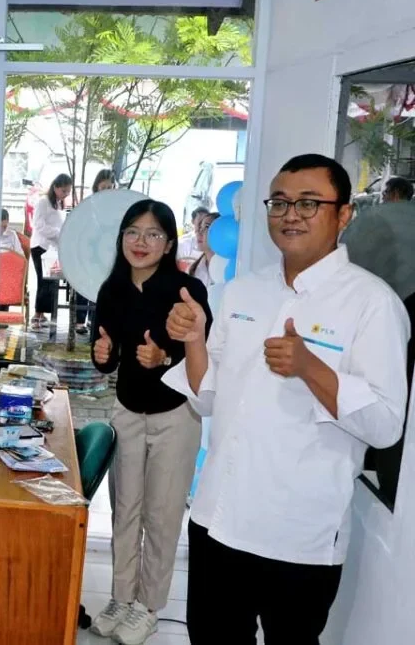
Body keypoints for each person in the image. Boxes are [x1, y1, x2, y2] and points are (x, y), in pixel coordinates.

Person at [164, 154, 410, 645]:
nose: (290, 214)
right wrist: (193, 340)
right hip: (218, 520)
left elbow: (386, 426)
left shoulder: (372, 303)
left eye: (308, 203)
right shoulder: (242, 293)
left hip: (300, 537)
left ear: (344, 215)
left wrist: (311, 368)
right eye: (279, 202)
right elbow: (206, 398)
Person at [88, 200, 212, 645]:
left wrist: (164, 358)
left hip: (175, 415)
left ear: (169, 243)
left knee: (161, 515)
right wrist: (104, 355)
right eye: (133, 233)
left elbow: (204, 355)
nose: (141, 242)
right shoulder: (112, 290)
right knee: (125, 510)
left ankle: (148, 607)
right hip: (128, 410)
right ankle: (121, 597)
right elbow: (105, 354)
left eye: (153, 234)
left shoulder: (186, 292)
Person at [74, 170, 118, 333]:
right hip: (88, 249)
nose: (106, 190)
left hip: (107, 253)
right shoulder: (89, 204)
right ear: (96, 187)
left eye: (109, 187)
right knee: (84, 283)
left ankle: (94, 320)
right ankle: (80, 321)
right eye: (103, 187)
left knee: (101, 287)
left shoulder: (116, 205)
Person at [29, 173, 71, 328]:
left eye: (68, 191)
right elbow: (38, 224)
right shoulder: (43, 202)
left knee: (51, 281)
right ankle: (37, 315)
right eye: (63, 191)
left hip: (53, 247)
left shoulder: (58, 204)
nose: (66, 194)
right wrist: (58, 233)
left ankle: (43, 314)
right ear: (55, 187)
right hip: (41, 246)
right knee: (43, 281)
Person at [187, 212, 223, 288]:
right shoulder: (193, 269)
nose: (199, 232)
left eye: (207, 227)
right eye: (200, 227)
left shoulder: (228, 268)